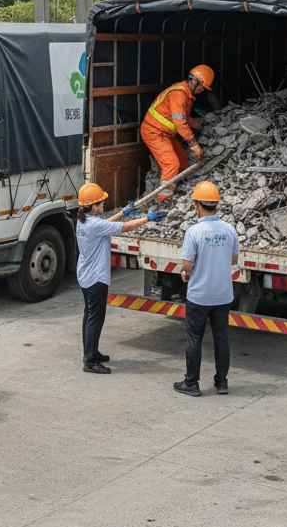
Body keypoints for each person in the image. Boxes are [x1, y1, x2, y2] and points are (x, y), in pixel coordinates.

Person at [75, 183, 168, 374]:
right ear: (94, 206)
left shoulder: (84, 221)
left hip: (85, 275)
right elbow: (123, 228)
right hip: (95, 278)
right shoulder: (94, 224)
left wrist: (123, 213)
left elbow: (106, 225)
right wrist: (147, 218)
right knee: (95, 318)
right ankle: (90, 361)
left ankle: (91, 352)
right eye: (101, 202)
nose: (103, 204)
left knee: (89, 315)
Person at [173, 181, 240, 397]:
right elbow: (233, 260)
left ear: (197, 205)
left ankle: (191, 383)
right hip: (223, 294)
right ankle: (222, 382)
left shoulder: (194, 232)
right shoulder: (229, 230)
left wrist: (186, 273)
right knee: (221, 337)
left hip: (200, 296)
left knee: (194, 337)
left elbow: (187, 265)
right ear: (216, 205)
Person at [139, 65, 214, 203]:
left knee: (183, 160)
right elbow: (180, 123)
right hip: (153, 132)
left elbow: (186, 118)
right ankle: (164, 200)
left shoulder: (187, 95)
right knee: (171, 164)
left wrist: (200, 126)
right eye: (202, 86)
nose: (202, 90)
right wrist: (194, 145)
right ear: (194, 81)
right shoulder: (178, 94)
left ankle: (183, 188)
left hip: (165, 133)